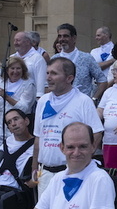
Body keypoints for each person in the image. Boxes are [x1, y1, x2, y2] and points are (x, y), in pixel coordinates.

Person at [33, 58, 104, 197]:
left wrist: (82, 164)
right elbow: (38, 137)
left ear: (69, 78)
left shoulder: (83, 101)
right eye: (47, 73)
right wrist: (34, 167)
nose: (48, 78)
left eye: (54, 73)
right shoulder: (43, 101)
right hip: (45, 173)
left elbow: (96, 134)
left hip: (73, 173)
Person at [53, 23, 108, 100]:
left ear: (74, 38)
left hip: (81, 106)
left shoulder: (86, 58)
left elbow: (102, 81)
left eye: (65, 36)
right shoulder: (54, 60)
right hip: (59, 105)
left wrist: (93, 99)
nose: (62, 39)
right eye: (60, 36)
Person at [0, 56, 35, 149]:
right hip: (1, 125)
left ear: (23, 70)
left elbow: (24, 108)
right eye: (12, 68)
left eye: (18, 68)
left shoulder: (28, 84)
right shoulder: (2, 82)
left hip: (18, 126)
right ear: (7, 70)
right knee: (1, 152)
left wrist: (6, 97)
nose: (15, 71)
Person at [12, 31, 48, 100]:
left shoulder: (38, 58)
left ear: (28, 42)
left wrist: (39, 98)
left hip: (30, 100)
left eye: (18, 40)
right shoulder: (12, 57)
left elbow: (41, 81)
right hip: (12, 98)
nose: (15, 43)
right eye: (14, 40)